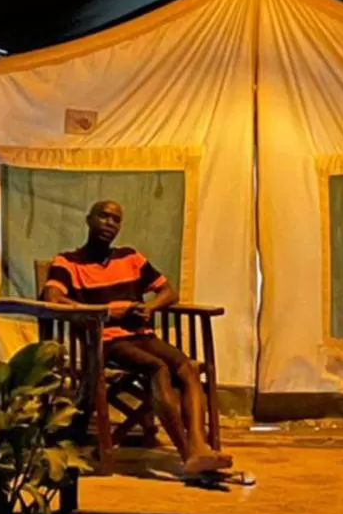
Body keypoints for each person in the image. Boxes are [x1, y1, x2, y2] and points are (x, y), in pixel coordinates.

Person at [42, 199, 232, 476]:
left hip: (141, 335)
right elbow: (54, 299)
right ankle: (188, 455)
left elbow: (170, 291)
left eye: (116, 219)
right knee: (158, 367)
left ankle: (199, 446)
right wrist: (108, 312)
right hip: (106, 341)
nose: (110, 223)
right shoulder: (68, 262)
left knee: (189, 367)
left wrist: (149, 307)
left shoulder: (130, 257)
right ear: (89, 219)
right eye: (104, 216)